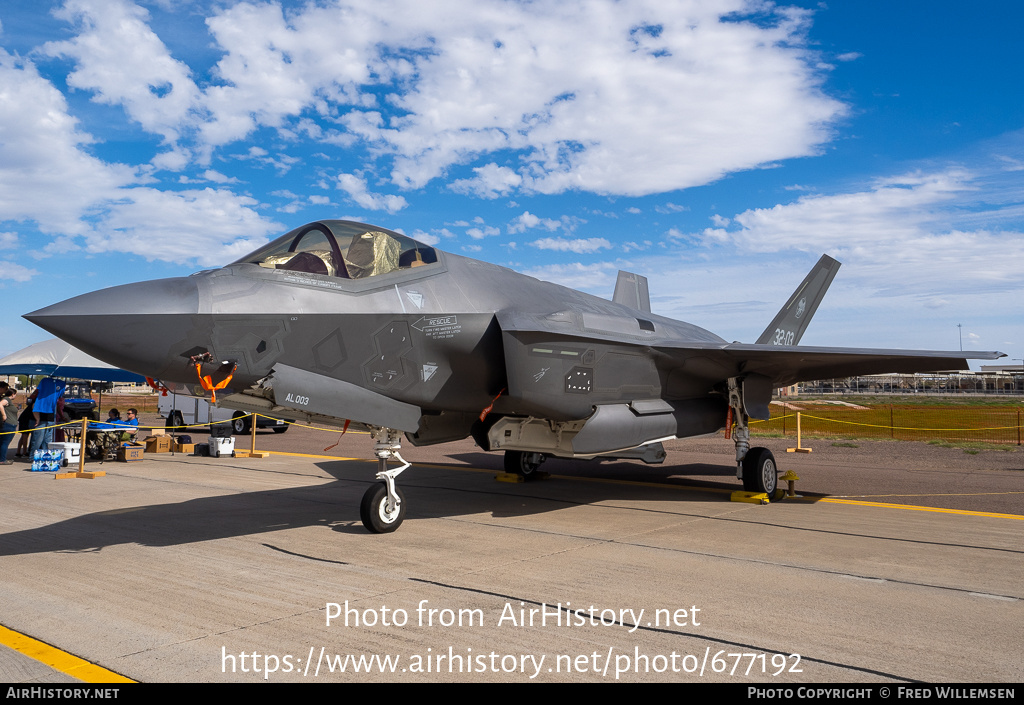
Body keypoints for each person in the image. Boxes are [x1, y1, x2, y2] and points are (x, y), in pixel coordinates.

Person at [28, 377, 66, 457]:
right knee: (39, 439)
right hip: (43, 420)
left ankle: (46, 455)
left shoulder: (58, 384)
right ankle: (32, 456)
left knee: (47, 440)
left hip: (51, 420)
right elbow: (34, 407)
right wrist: (37, 419)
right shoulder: (43, 386)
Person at [0, 388, 17, 464]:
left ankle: (2, 458)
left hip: (9, 424)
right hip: (9, 424)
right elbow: (0, 404)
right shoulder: (7, 399)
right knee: (5, 443)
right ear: (13, 394)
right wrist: (4, 415)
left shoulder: (8, 401)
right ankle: (2, 460)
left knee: (3, 442)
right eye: (15, 394)